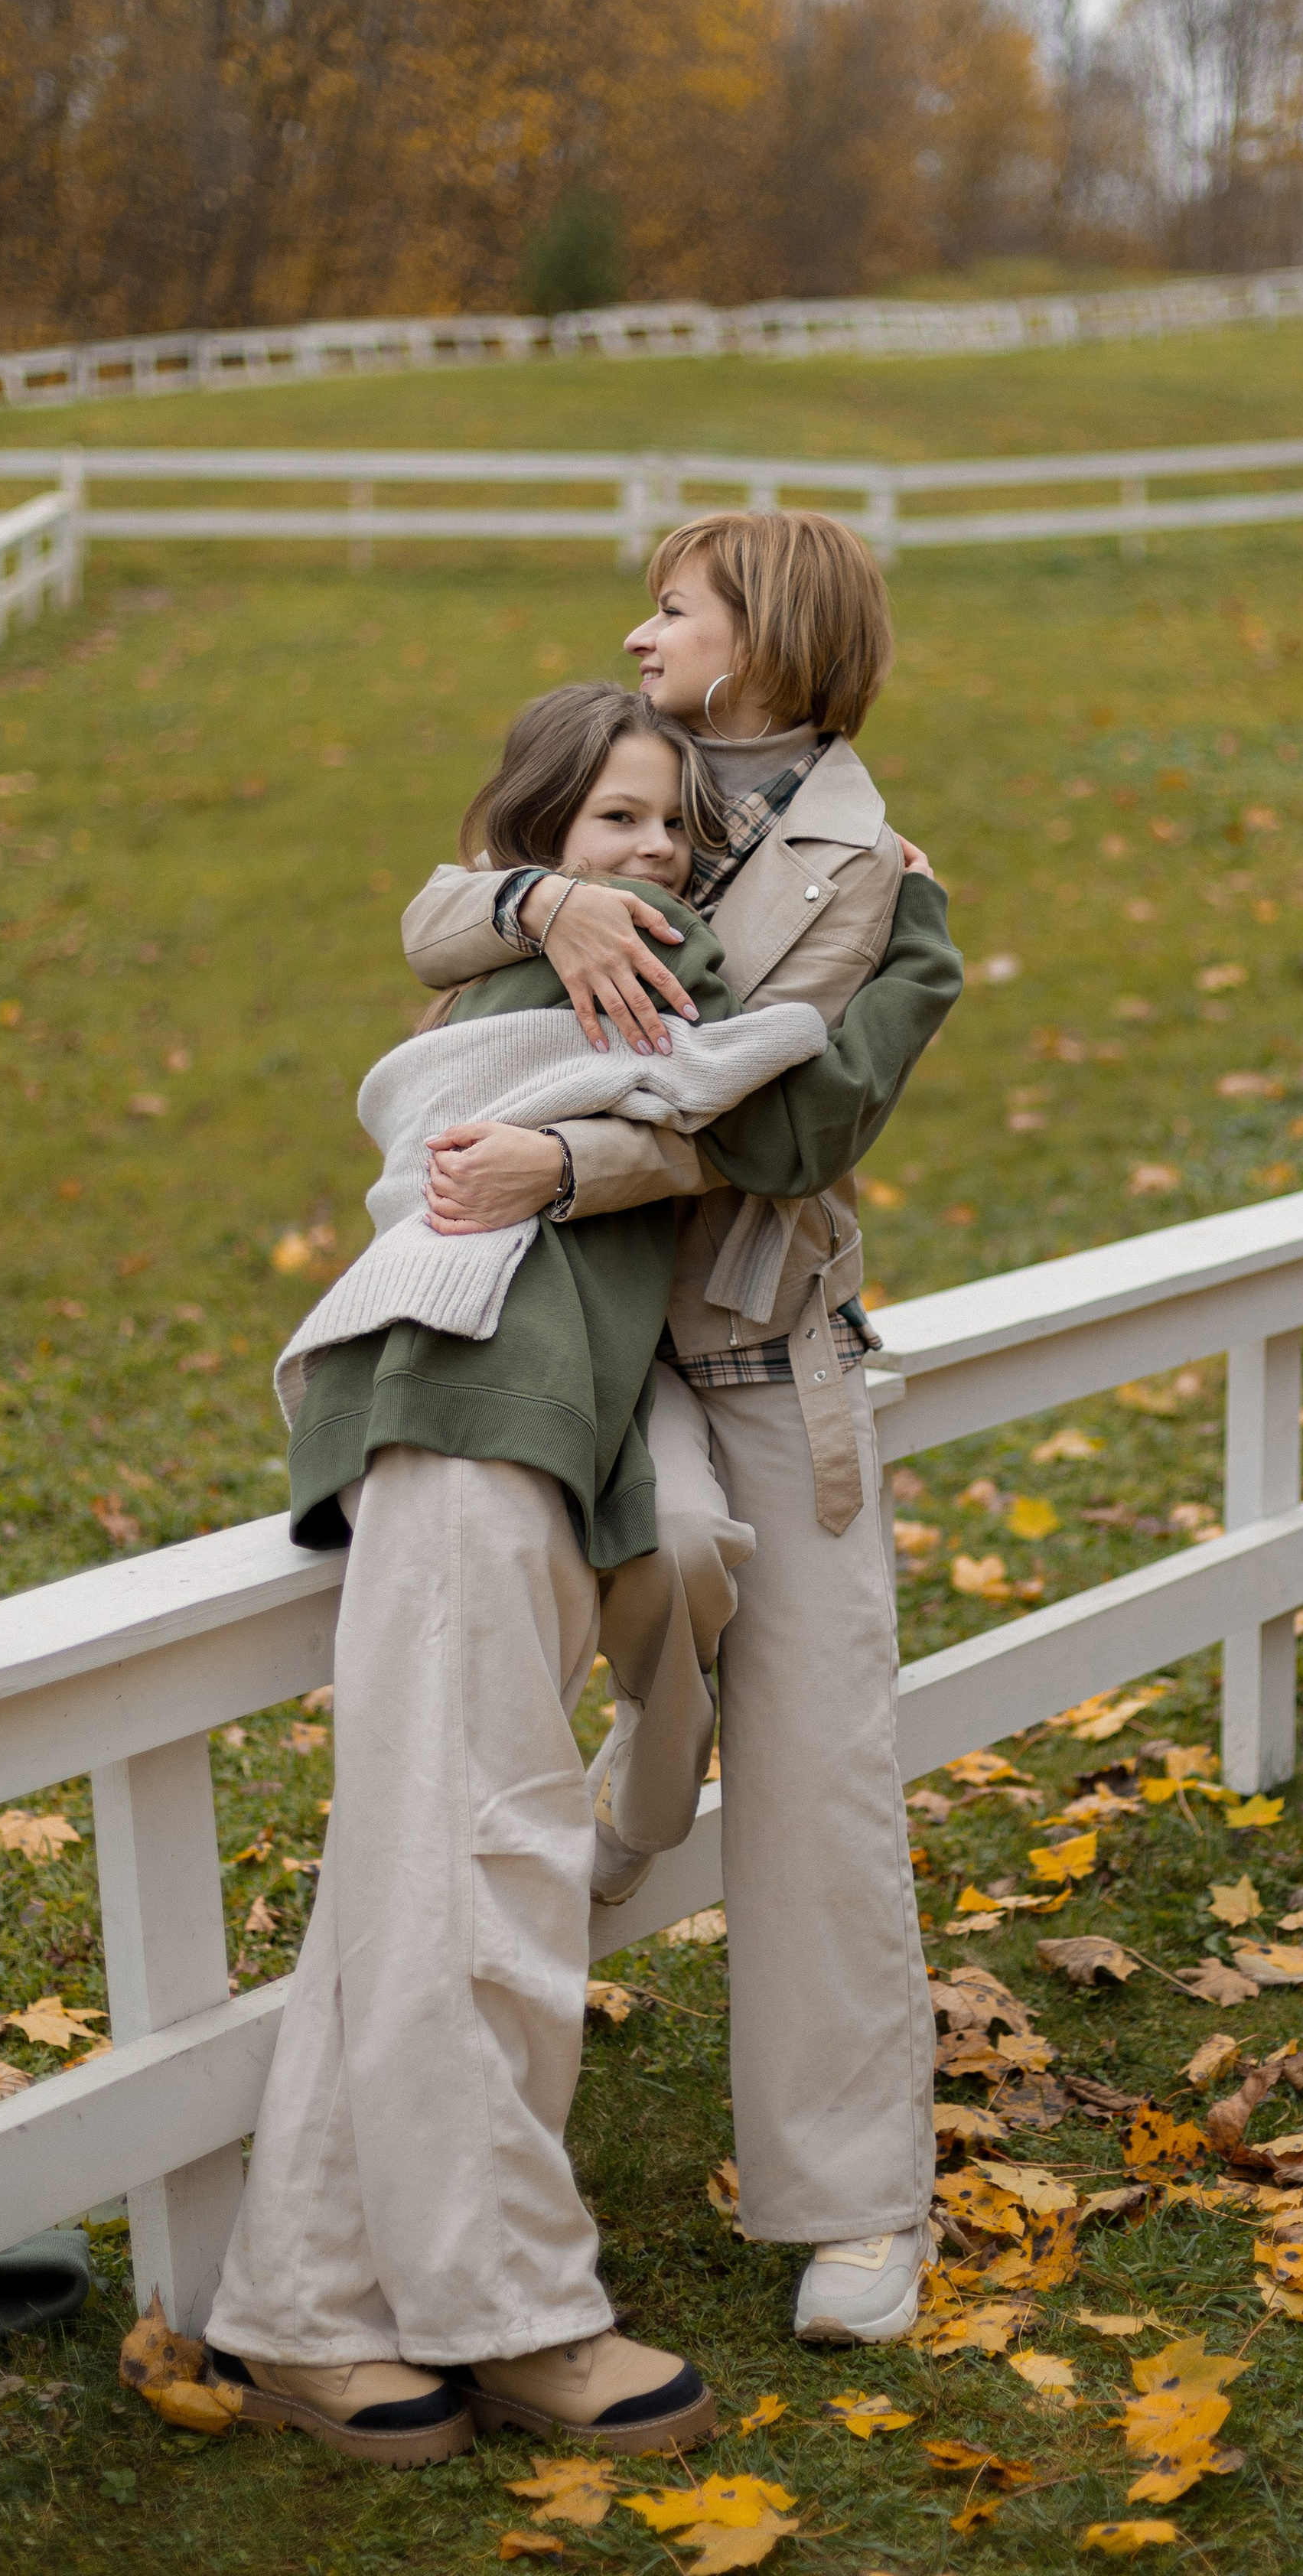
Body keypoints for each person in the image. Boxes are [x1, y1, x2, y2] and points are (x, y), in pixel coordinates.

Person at [206, 671, 956, 2460]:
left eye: (674, 828)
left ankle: (305, 2307)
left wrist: (860, 893)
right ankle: (515, 2308)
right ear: (534, 844)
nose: (654, 855)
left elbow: (780, 1079)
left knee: (429, 1848)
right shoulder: (567, 960)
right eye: (611, 824)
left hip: (549, 1408)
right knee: (474, 1848)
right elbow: (528, 969)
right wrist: (548, 903)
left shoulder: (642, 944)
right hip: (467, 1388)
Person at [399, 511, 963, 2350]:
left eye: (674, 608)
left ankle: (859, 2207)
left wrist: (569, 1159)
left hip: (757, 1356)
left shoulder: (885, 880)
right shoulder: (611, 783)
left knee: (822, 1773)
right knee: (587, 1631)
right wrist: (532, 898)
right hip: (574, 1348)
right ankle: (621, 1837)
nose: (640, 634)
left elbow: (794, 1129)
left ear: (768, 636)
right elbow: (433, 904)